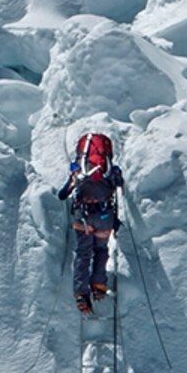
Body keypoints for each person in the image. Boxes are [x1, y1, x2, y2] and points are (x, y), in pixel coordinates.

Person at [58, 131, 123, 314]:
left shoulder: (79, 171)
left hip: (84, 217)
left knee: (83, 253)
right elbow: (119, 186)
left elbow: (62, 195)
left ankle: (81, 293)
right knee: (101, 250)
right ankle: (98, 286)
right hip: (105, 217)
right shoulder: (110, 170)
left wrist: (73, 176)